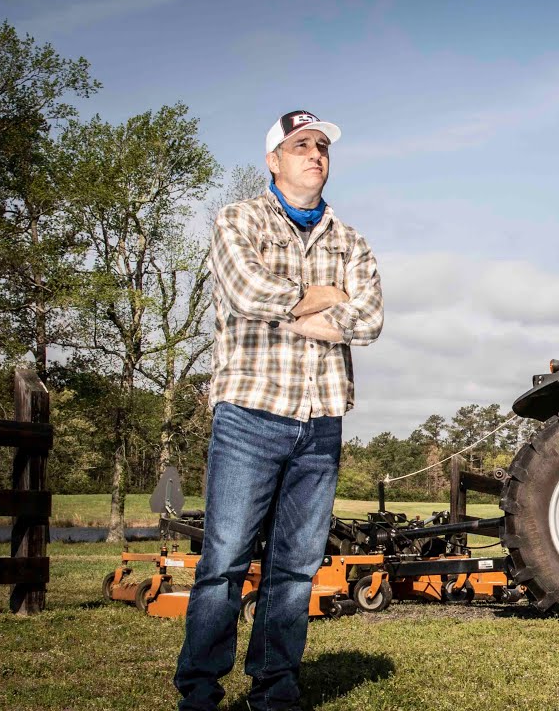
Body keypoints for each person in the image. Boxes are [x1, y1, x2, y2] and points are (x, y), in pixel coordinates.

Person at [174, 110, 383, 711]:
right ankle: (199, 692)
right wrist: (322, 299)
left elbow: (369, 320)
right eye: (300, 145)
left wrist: (292, 308)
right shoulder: (237, 219)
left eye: (321, 146)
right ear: (274, 159)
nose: (313, 154)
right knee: (224, 563)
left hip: (321, 422)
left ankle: (274, 691)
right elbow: (245, 293)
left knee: (295, 569)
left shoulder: (351, 240)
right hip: (250, 416)